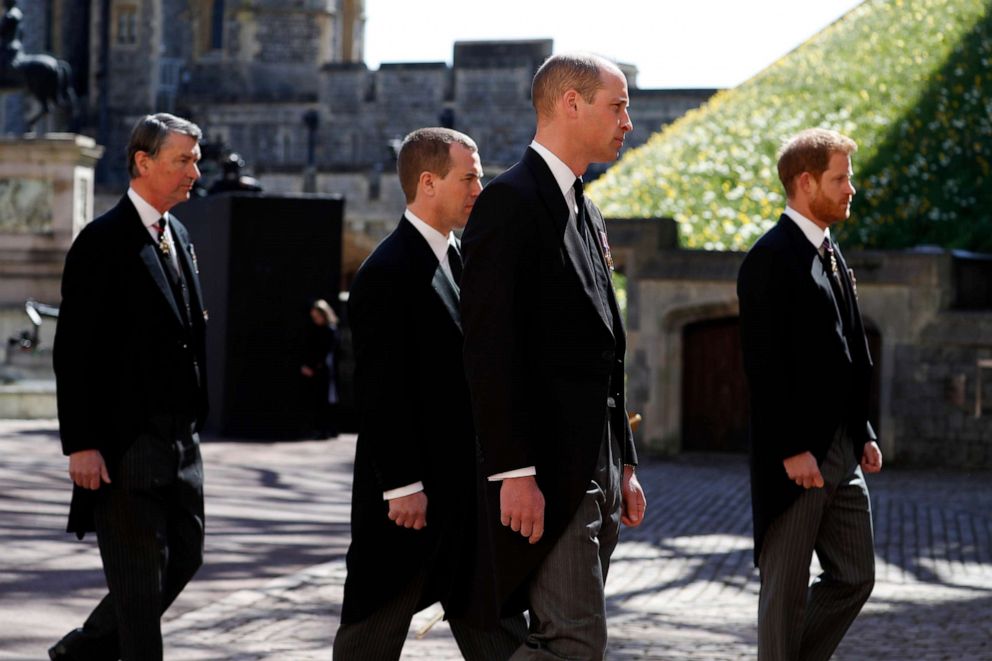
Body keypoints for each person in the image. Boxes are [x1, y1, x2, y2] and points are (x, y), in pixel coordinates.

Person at [459, 53, 647, 658]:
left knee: (570, 637)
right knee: (572, 642)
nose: (628, 121)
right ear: (571, 103)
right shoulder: (508, 202)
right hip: (544, 470)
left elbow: (604, 345)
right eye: (617, 106)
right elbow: (490, 348)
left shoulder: (586, 208)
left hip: (596, 467)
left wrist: (625, 462)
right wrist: (514, 471)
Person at [334, 127, 526, 660]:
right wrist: (401, 485)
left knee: (497, 630)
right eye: (469, 178)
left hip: (466, 499)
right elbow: (380, 391)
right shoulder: (386, 271)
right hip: (410, 502)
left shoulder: (460, 259)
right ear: (427, 182)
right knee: (369, 638)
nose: (478, 191)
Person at [49, 113, 208, 661]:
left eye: (196, 158)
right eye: (183, 159)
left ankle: (84, 650)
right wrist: (82, 444)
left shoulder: (177, 232)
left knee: (184, 557)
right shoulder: (102, 242)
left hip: (181, 444)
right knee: (139, 593)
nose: (196, 170)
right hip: (125, 445)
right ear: (143, 163)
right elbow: (74, 353)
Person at [737, 128, 883, 661]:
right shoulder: (770, 258)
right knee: (785, 593)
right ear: (805, 181)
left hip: (843, 451)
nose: (851, 189)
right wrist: (791, 448)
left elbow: (848, 347)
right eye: (840, 178)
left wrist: (862, 430)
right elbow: (763, 366)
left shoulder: (830, 251)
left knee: (855, 575)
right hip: (795, 458)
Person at [300, 298, 339, 439]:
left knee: (326, 401)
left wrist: (313, 366)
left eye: (317, 316)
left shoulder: (330, 330)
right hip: (317, 369)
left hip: (324, 370)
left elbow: (325, 352)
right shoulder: (317, 329)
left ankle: (327, 429)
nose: (315, 320)